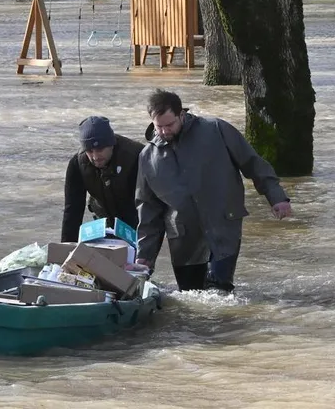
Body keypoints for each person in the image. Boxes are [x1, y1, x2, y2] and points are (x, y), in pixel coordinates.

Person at [135, 89, 292, 293]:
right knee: (192, 300)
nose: (164, 131)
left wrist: (277, 197)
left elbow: (252, 163)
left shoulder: (215, 129)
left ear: (181, 114)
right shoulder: (147, 157)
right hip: (184, 240)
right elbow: (148, 210)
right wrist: (145, 257)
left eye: (170, 124)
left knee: (220, 292)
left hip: (223, 226)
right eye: (159, 126)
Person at [61, 116, 144, 242]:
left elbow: (150, 205)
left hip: (136, 220)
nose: (95, 157)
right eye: (89, 150)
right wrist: (66, 248)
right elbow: (72, 210)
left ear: (111, 144)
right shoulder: (78, 163)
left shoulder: (137, 156)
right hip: (104, 220)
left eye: (100, 149)